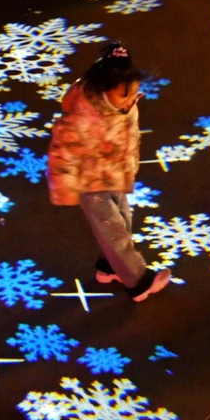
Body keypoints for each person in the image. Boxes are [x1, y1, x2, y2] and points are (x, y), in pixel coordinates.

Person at [47, 44, 168, 301]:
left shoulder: (126, 104)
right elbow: (62, 152)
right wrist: (65, 189)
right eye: (124, 94)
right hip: (90, 182)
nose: (130, 99)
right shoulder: (83, 114)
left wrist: (129, 166)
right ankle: (138, 282)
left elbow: (130, 136)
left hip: (114, 175)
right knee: (114, 230)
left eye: (134, 91)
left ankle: (109, 268)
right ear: (104, 88)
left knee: (123, 220)